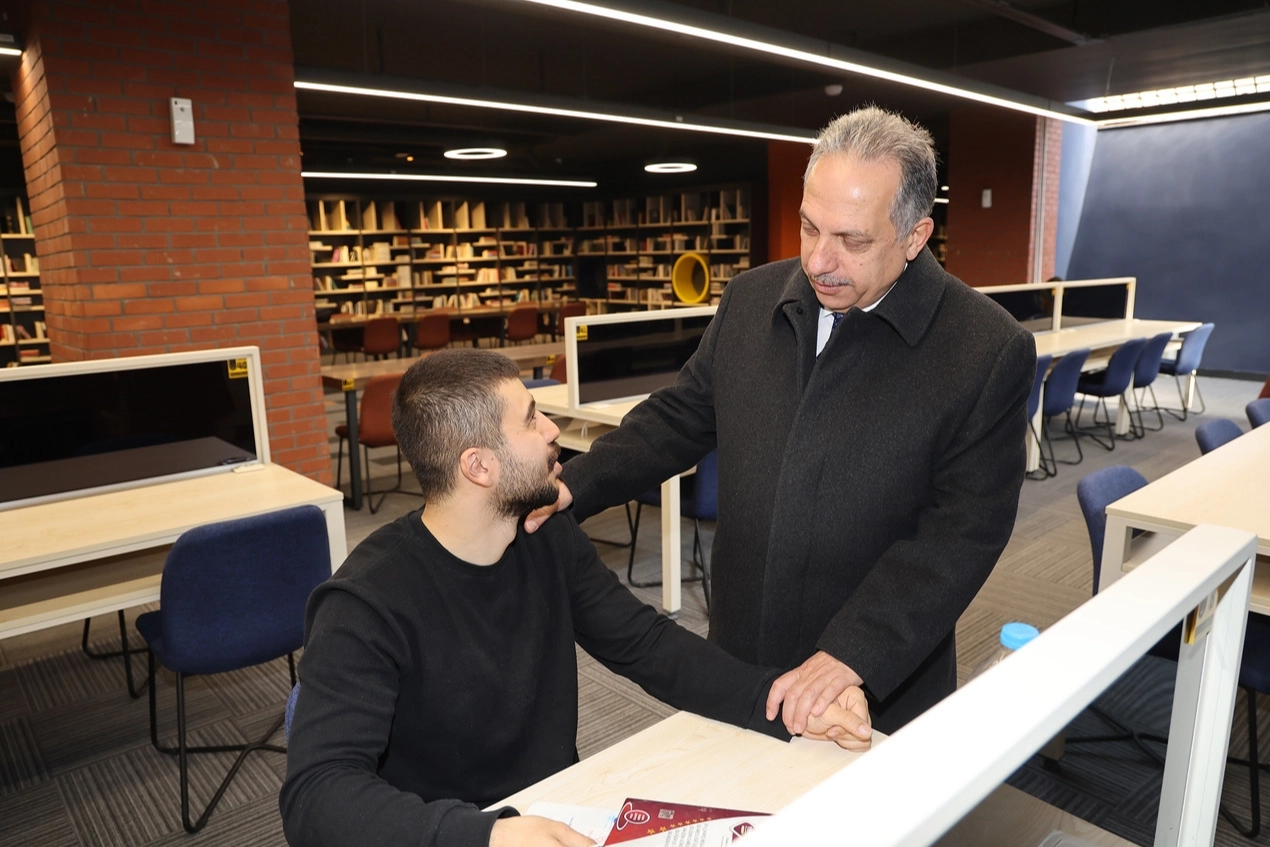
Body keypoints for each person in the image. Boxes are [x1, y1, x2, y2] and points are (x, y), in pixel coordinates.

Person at [528, 105, 1035, 736]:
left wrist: (855, 650)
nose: (819, 260)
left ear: (915, 236)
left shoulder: (985, 349)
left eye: (852, 240)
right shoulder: (751, 299)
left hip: (875, 670)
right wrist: (576, 485)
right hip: (741, 648)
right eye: (809, 227)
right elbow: (680, 416)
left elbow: (963, 532)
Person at [280, 349, 872, 847]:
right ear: (478, 466)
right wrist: (488, 835)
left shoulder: (545, 534)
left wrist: (781, 699)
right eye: (530, 419)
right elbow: (316, 796)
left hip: (559, 810)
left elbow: (644, 644)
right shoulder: (364, 603)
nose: (552, 431)